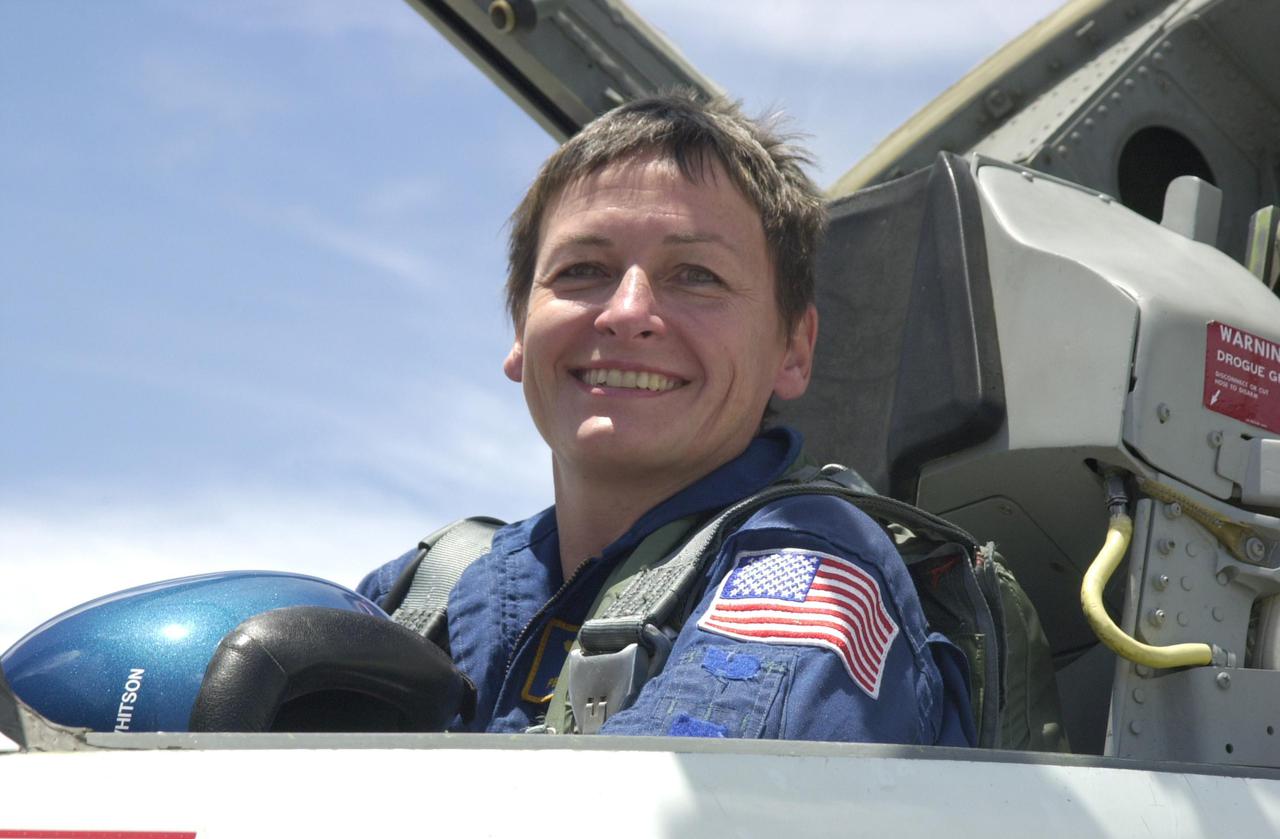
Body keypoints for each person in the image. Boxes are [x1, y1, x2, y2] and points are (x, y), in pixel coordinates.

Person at [358, 92, 975, 744]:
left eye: (695, 275)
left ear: (793, 349)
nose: (626, 311)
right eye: (583, 269)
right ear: (520, 329)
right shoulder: (422, 593)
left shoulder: (812, 569)